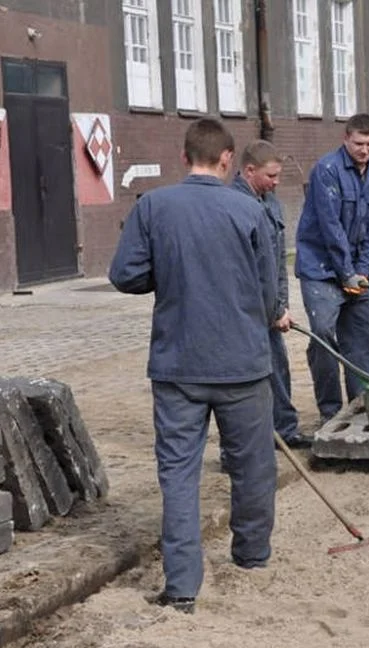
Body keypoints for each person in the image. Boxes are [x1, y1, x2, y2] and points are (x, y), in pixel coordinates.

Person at [109, 118, 280, 614]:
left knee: (179, 475)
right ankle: (251, 554)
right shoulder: (248, 210)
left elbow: (125, 275)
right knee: (252, 467)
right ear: (228, 159)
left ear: (185, 158)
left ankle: (182, 586)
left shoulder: (154, 207)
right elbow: (268, 293)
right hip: (243, 363)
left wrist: (169, 276)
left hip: (178, 364)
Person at [295, 114, 369, 426]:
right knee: (324, 334)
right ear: (346, 139)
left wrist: (362, 272)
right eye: (359, 143)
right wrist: (345, 271)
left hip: (361, 272)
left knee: (365, 339)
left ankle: (362, 405)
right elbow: (330, 228)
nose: (365, 150)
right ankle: (330, 411)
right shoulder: (327, 171)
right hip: (322, 269)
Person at [231, 140, 310, 450]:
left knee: (278, 368)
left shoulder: (271, 203)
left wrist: (281, 307)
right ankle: (238, 447)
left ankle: (285, 431)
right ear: (249, 170)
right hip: (245, 312)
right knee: (242, 383)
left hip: (271, 309)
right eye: (271, 176)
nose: (276, 182)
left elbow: (277, 263)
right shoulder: (233, 205)